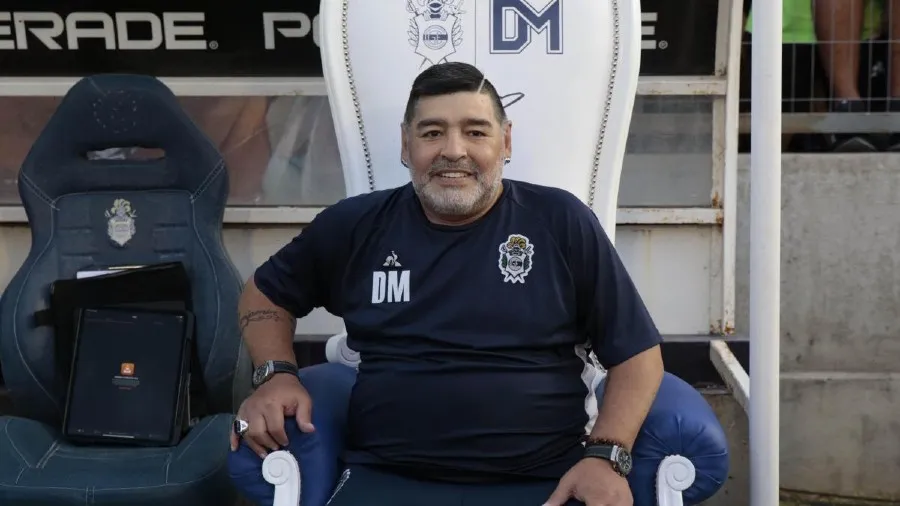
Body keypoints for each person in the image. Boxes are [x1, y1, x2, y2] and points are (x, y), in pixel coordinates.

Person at [228, 61, 664, 506]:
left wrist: (606, 455)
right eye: (432, 133)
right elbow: (264, 294)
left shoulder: (561, 222)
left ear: (505, 142)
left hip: (542, 481)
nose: (453, 151)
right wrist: (275, 374)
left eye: (476, 132)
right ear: (406, 144)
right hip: (386, 476)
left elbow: (637, 357)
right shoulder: (354, 225)